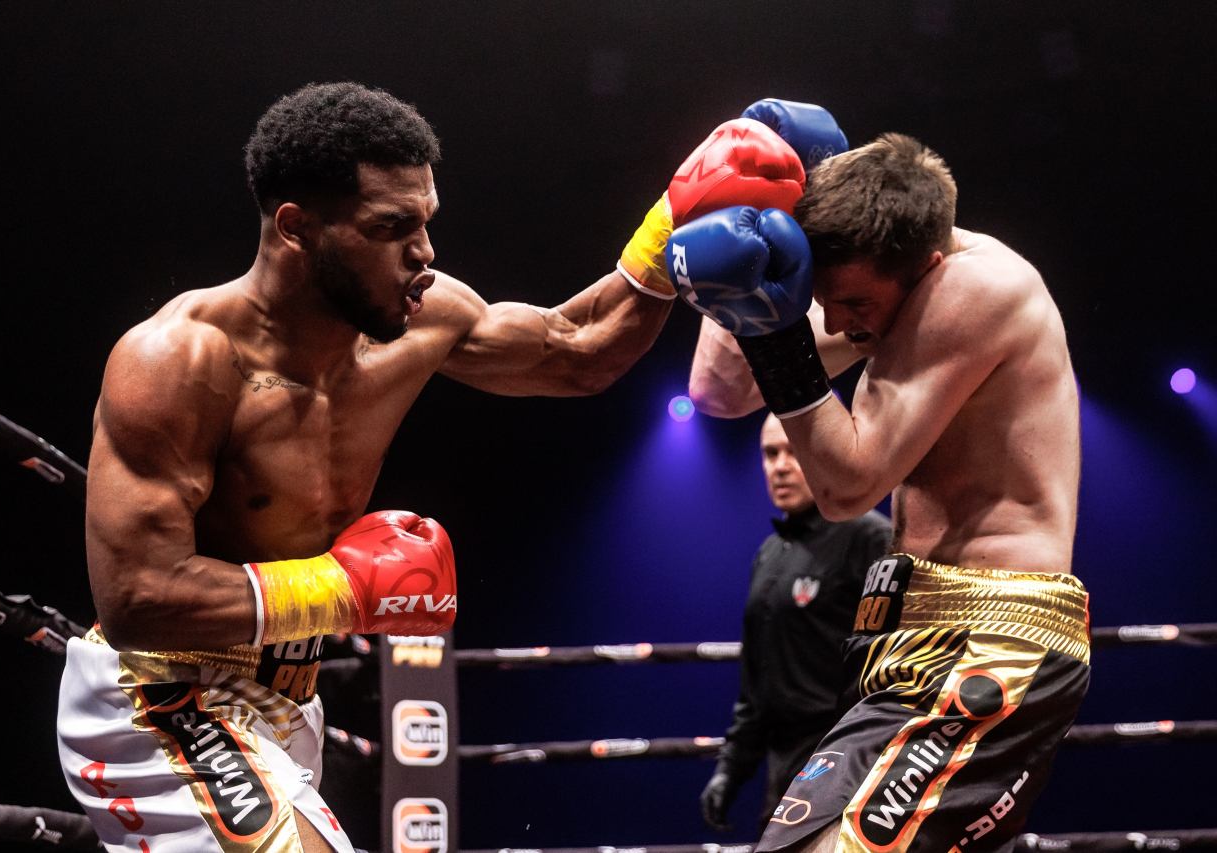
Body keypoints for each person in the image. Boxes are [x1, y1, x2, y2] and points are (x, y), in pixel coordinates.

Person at [56, 82, 823, 853]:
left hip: (287, 699)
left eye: (425, 221)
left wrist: (675, 215)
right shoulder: (180, 360)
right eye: (390, 228)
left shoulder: (425, 317)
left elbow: (580, 352)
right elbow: (135, 597)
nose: (423, 251)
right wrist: (344, 589)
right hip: (160, 692)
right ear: (296, 228)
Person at [672, 132, 1088, 853]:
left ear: (924, 264)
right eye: (823, 301)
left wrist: (776, 336)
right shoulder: (878, 297)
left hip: (990, 641)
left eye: (852, 302)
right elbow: (719, 389)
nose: (835, 322)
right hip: (896, 639)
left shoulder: (977, 288)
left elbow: (847, 486)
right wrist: (738, 211)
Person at [701, 414, 890, 832]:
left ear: (825, 455)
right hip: (785, 771)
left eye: (794, 452)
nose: (781, 466)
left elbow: (903, 663)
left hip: (850, 766)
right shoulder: (770, 554)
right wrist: (732, 767)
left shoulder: (870, 538)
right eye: (771, 454)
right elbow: (757, 680)